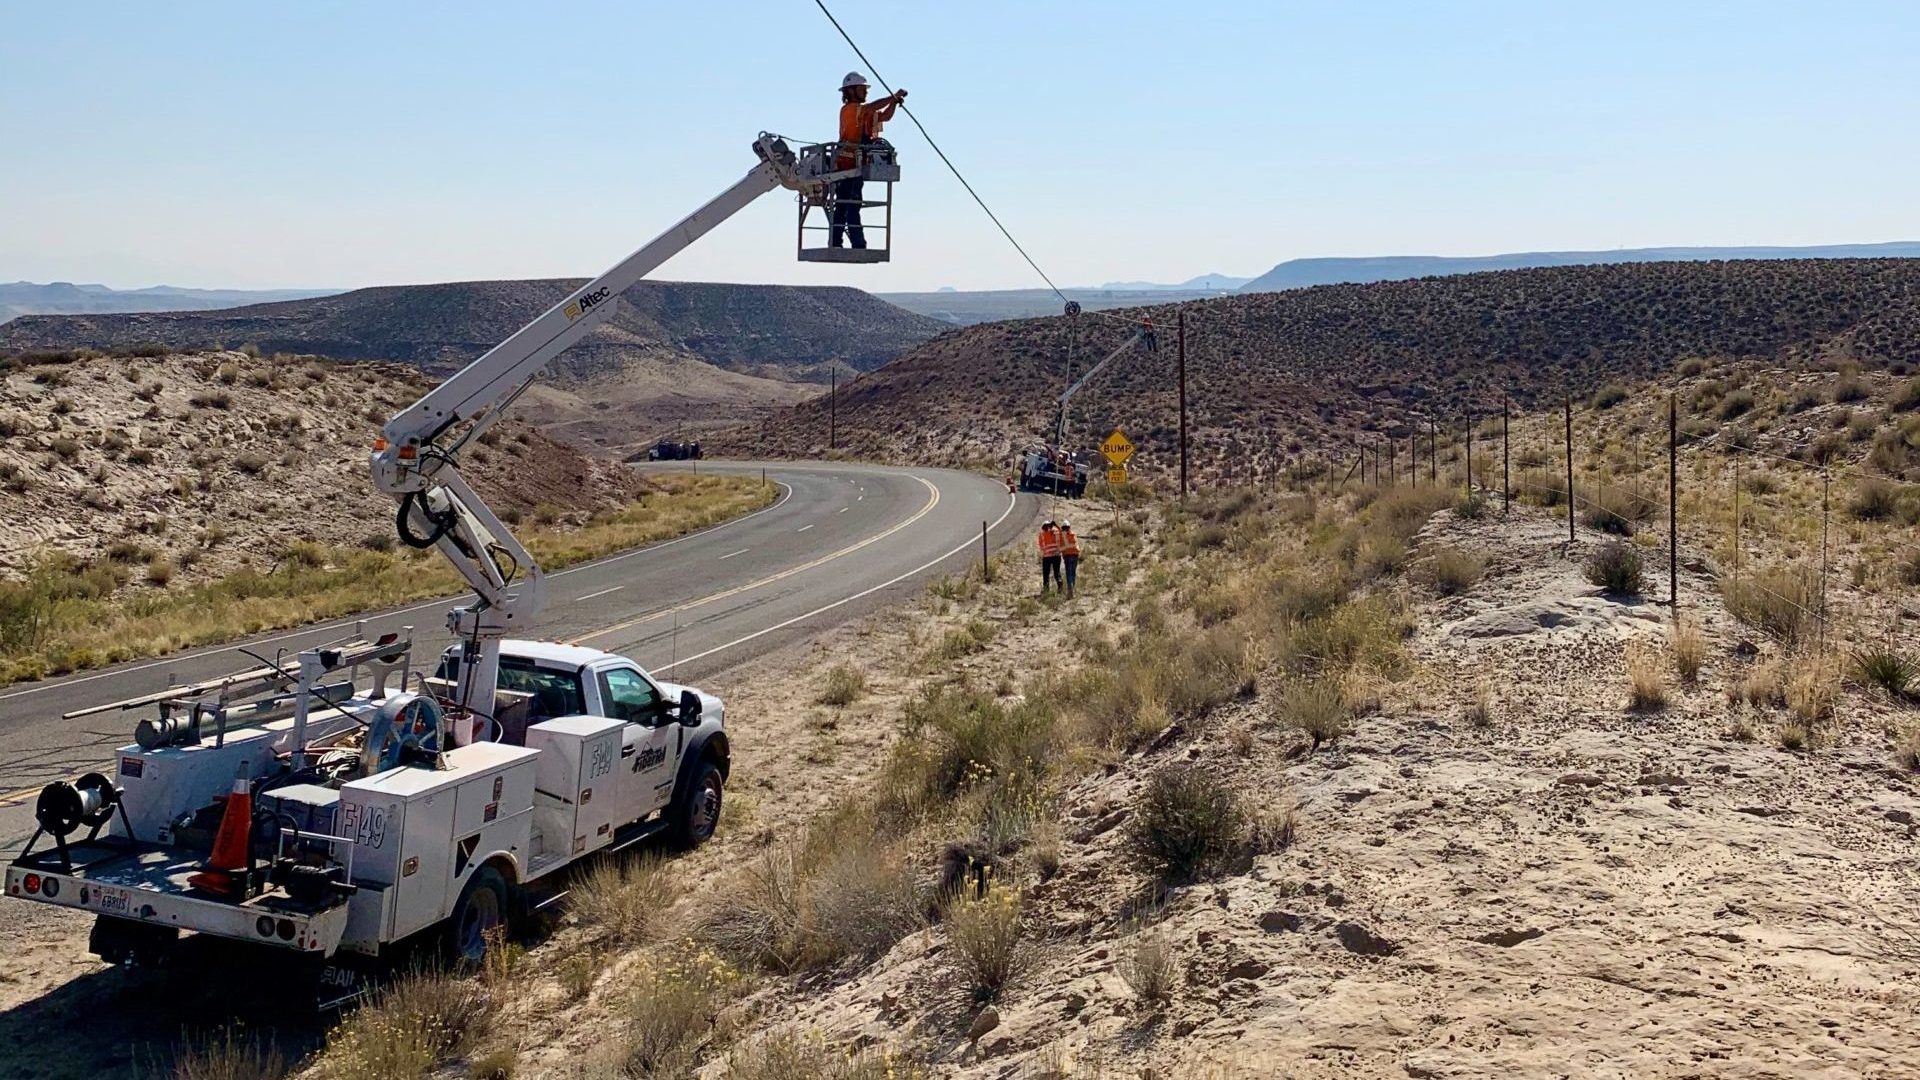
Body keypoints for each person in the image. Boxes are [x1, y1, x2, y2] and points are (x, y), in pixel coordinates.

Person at [831, 72, 906, 250]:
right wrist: (893, 97)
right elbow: (871, 108)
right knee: (851, 204)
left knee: (844, 204)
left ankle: (837, 241)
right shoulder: (850, 109)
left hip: (855, 165)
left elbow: (885, 116)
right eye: (862, 89)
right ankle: (857, 243)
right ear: (851, 91)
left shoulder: (864, 112)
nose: (865, 92)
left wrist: (893, 103)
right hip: (847, 165)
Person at [1037, 520, 1062, 594]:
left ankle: (1046, 589)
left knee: (1046, 574)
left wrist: (1043, 552)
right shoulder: (1056, 531)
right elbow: (1062, 534)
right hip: (1056, 555)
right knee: (1057, 572)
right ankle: (1059, 582)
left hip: (1047, 556)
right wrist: (1056, 525)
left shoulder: (1042, 534)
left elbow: (1041, 546)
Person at [1058, 520, 1081, 598]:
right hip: (1075, 554)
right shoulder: (1073, 534)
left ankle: (1070, 589)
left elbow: (1060, 547)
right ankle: (1073, 588)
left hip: (1068, 555)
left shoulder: (1062, 536)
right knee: (1073, 572)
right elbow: (1075, 544)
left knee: (1069, 573)